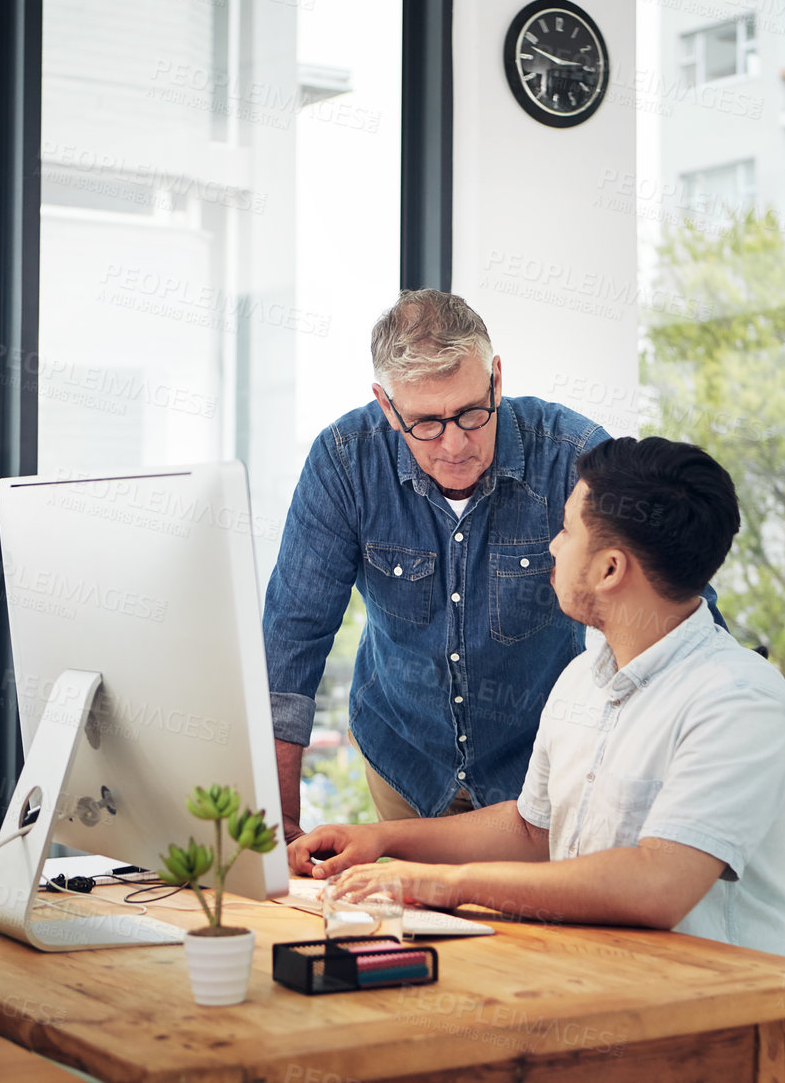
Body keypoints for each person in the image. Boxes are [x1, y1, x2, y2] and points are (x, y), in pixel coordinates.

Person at [287, 437, 785, 958]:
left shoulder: (737, 698)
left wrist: (451, 883)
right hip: (591, 979)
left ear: (609, 570)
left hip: (719, 1005)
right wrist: (382, 841)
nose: (552, 547)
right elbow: (530, 830)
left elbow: (660, 884)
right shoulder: (582, 678)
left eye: (565, 530)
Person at [264, 290, 616, 840]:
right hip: (404, 760)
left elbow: (668, 610)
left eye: (472, 413)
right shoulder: (344, 461)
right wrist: (277, 822)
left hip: (540, 770)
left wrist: (714, 786)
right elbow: (290, 642)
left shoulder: (573, 455)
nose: (454, 445)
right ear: (387, 406)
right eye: (425, 423)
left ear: (496, 379)